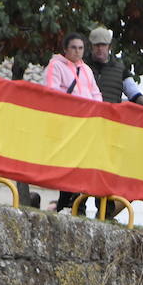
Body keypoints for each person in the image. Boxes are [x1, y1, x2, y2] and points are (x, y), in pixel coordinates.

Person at [42, 33, 102, 211]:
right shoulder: (56, 66)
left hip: (85, 124)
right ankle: (66, 204)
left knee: (81, 164)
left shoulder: (87, 70)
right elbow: (53, 92)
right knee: (69, 164)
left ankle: (76, 205)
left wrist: (95, 111)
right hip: (67, 123)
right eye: (74, 48)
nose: (77, 51)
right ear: (66, 49)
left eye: (81, 48)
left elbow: (96, 94)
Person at [86, 27, 143, 105]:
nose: (100, 48)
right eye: (97, 45)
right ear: (91, 46)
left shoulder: (121, 70)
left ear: (110, 47)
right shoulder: (80, 67)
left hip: (109, 116)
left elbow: (134, 94)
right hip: (85, 115)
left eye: (103, 45)